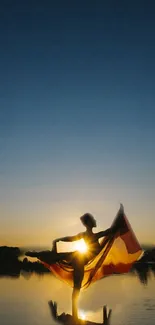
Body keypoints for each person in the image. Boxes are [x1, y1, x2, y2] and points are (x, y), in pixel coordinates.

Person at [51, 213, 117, 320]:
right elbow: (108, 231)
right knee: (77, 286)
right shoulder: (94, 236)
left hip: (79, 260)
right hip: (79, 261)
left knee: (77, 287)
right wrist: (119, 222)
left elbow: (71, 239)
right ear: (89, 223)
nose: (95, 220)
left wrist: (59, 240)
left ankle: (73, 313)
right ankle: (73, 315)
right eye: (93, 219)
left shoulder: (88, 235)